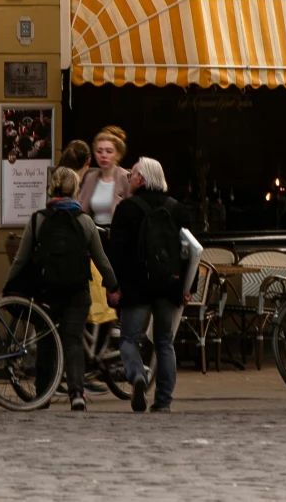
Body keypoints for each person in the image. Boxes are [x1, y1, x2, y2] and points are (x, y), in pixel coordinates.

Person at [5, 164, 115, 412]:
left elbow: (21, 260)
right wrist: (113, 285)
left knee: (46, 343)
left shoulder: (38, 219)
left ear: (51, 188)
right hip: (77, 292)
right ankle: (77, 392)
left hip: (46, 292)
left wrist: (9, 286)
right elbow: (101, 260)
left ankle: (43, 395)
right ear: (76, 190)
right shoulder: (85, 222)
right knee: (73, 341)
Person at [108, 155, 200, 416]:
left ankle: (137, 374)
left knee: (128, 339)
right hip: (168, 286)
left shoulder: (127, 209)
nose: (129, 179)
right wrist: (188, 287)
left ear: (142, 178)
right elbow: (191, 252)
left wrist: (113, 285)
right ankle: (163, 401)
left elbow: (116, 252)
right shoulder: (178, 209)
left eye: (131, 175)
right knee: (164, 343)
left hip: (136, 286)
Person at [77, 126, 129, 231]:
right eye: (99, 151)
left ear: (118, 154)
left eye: (109, 151)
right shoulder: (90, 177)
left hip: (118, 233)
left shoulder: (126, 178)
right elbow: (81, 207)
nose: (103, 155)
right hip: (94, 233)